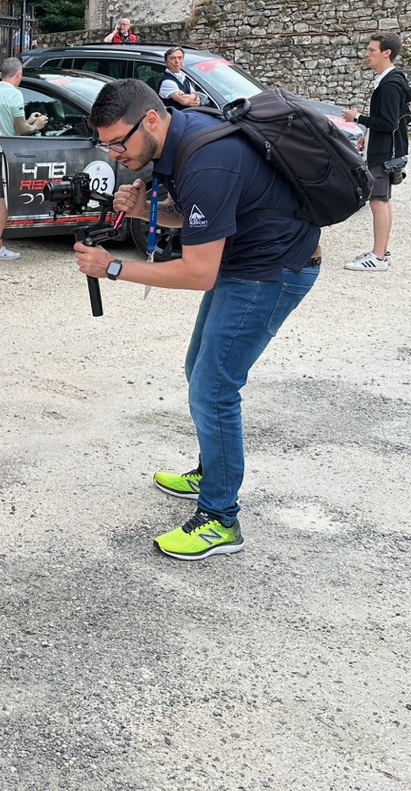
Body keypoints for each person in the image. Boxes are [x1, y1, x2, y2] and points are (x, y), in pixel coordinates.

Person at [73, 78, 321, 561]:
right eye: (106, 147)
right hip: (244, 262)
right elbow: (198, 217)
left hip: (273, 271)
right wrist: (145, 209)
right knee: (199, 370)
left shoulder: (207, 160)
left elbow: (198, 272)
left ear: (150, 120)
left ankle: (220, 518)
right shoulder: (181, 138)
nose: (115, 156)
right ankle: (213, 473)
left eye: (118, 144)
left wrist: (114, 267)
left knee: (214, 388)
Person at [341, 31, 411, 273]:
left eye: (371, 50)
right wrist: (367, 133)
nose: (367, 54)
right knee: (382, 201)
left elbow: (388, 123)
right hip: (387, 150)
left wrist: (358, 118)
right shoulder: (390, 82)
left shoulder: (390, 85)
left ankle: (378, 257)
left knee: (377, 201)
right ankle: (382, 251)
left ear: (387, 53)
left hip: (385, 153)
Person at [0, 57, 48, 260]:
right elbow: (21, 130)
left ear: (1, 74)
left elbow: (11, 127)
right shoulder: (15, 94)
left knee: (4, 200)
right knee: (5, 202)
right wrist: (36, 125)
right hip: (4, 153)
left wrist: (28, 121)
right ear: (19, 75)